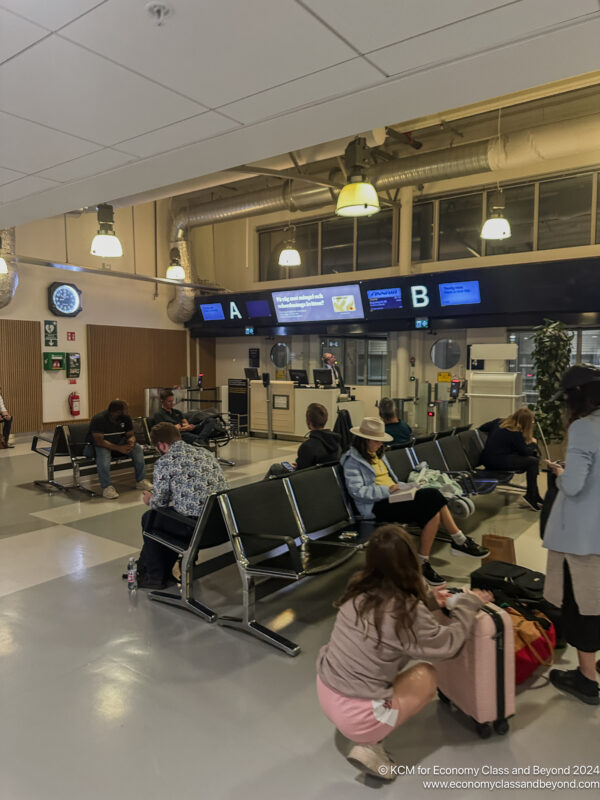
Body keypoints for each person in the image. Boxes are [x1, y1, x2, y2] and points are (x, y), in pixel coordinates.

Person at [316, 524, 493, 780]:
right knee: (426, 673)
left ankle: (365, 733)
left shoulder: (358, 586)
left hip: (326, 690)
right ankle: (370, 745)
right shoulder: (406, 611)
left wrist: (430, 600)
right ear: (411, 560)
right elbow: (448, 646)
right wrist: (468, 604)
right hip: (358, 716)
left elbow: (387, 613)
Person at [341, 417, 489, 586]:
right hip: (375, 506)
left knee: (432, 505)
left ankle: (424, 562)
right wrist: (388, 490)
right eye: (376, 440)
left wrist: (407, 487)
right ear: (364, 439)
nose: (380, 444)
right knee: (433, 497)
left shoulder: (377, 455)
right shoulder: (352, 461)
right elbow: (358, 492)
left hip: (392, 498)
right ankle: (458, 541)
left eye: (380, 441)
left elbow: (391, 482)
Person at [543, 364, 600, 706]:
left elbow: (575, 485)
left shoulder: (583, 428)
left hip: (582, 536)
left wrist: (560, 476)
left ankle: (586, 678)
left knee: (582, 605)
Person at [137, 422, 229, 589]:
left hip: (198, 530)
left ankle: (156, 577)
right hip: (223, 523)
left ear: (162, 445)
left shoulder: (165, 462)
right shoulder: (205, 453)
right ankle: (185, 565)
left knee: (150, 518)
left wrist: (149, 498)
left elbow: (159, 503)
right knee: (169, 517)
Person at [85, 399, 153, 499]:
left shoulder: (126, 418)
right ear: (117, 412)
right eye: (125, 410)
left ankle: (141, 480)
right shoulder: (99, 419)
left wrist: (131, 441)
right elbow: (99, 441)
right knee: (103, 455)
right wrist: (119, 448)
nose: (127, 411)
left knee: (137, 448)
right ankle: (106, 487)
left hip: (118, 443)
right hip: (99, 445)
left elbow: (130, 435)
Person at [479, 408, 542, 511]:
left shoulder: (499, 422)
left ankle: (534, 494)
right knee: (533, 461)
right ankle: (532, 495)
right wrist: (533, 443)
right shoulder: (515, 432)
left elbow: (482, 428)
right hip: (497, 462)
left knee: (533, 460)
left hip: (487, 459)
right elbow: (525, 452)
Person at [264, 402, 342, 478]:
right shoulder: (336, 442)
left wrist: (298, 468)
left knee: (275, 468)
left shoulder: (307, 446)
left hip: (308, 482)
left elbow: (300, 474)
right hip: (327, 479)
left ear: (308, 422)